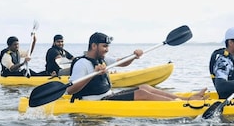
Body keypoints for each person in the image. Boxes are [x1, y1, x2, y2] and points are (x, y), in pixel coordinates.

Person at [67, 32, 208, 101]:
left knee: (145, 87)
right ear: (93, 46)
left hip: (108, 96)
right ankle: (180, 105)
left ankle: (185, 99)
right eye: (104, 46)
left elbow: (121, 62)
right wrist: (92, 76)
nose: (107, 49)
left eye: (107, 46)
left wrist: (133, 56)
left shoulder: (101, 59)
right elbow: (71, 90)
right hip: (95, 102)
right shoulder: (82, 64)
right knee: (142, 94)